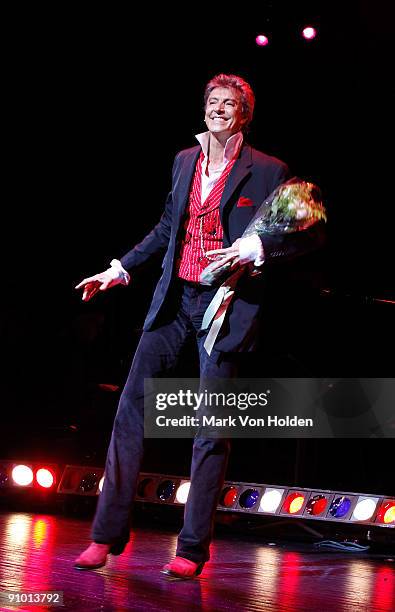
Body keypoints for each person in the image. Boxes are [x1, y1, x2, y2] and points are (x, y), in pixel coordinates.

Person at [74, 73, 325, 578]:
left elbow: (307, 229)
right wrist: (120, 269)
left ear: (245, 115)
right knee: (130, 412)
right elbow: (168, 227)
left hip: (225, 306)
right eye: (213, 101)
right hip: (173, 301)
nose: (219, 109)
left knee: (210, 430)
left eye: (230, 103)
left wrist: (257, 249)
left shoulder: (269, 170)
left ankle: (190, 550)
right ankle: (104, 536)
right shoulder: (184, 161)